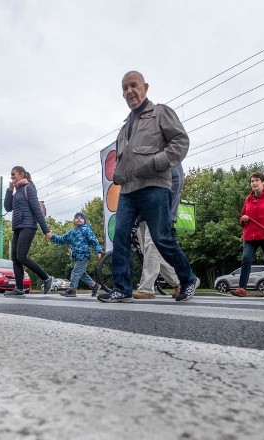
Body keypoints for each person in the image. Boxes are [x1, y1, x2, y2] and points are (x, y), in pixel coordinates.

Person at [99, 70, 199, 303]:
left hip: (155, 184)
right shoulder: (125, 128)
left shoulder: (161, 113)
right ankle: (122, 288)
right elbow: (124, 159)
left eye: (133, 85)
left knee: (161, 237)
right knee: (120, 235)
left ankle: (187, 278)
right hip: (129, 189)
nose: (129, 91)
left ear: (145, 87)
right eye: (124, 88)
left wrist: (158, 162)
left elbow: (181, 141)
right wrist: (117, 175)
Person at [132, 163, 185, 299]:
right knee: (153, 254)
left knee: (151, 248)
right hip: (142, 216)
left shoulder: (171, 160)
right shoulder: (145, 159)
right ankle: (180, 282)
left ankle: (147, 288)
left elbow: (175, 185)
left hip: (159, 212)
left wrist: (168, 212)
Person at [4, 166, 54, 296]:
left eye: (13, 174)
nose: (11, 177)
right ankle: (19, 289)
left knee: (21, 257)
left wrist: (46, 230)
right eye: (11, 175)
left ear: (21, 174)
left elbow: (37, 210)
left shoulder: (29, 188)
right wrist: (9, 190)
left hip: (28, 226)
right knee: (15, 259)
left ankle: (46, 278)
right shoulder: (16, 192)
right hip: (18, 227)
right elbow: (7, 208)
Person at [47, 212, 103, 297]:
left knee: (75, 272)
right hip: (76, 257)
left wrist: (98, 251)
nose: (79, 219)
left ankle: (72, 289)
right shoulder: (72, 232)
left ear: (85, 221)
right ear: (74, 221)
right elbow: (62, 239)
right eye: (77, 217)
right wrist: (52, 236)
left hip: (84, 255)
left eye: (81, 217)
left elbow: (94, 240)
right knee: (81, 274)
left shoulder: (86, 230)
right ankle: (94, 286)